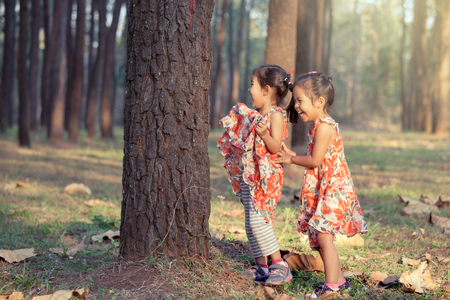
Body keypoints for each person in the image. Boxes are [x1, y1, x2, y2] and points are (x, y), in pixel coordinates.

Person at [274, 72, 367, 298]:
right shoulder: (316, 126)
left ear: (319, 102)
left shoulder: (325, 127)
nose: (296, 106)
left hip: (335, 188)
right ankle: (340, 280)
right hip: (326, 187)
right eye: (295, 101)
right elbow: (317, 157)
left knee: (324, 236)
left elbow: (315, 161)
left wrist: (291, 159)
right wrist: (294, 153)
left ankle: (331, 286)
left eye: (300, 101)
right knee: (319, 236)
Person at [217, 65, 292, 286]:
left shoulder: (275, 115)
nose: (250, 90)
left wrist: (264, 133)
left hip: (266, 177)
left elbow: (276, 146)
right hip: (251, 175)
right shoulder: (258, 115)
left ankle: (280, 264)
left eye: (253, 85)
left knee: (260, 221)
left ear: (267, 90)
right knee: (250, 222)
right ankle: (261, 267)